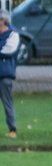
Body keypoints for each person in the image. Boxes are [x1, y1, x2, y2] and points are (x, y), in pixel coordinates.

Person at [0, 10, 17, 138]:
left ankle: (12, 129)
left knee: (7, 103)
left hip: (5, 75)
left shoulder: (13, 35)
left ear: (3, 21)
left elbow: (8, 51)